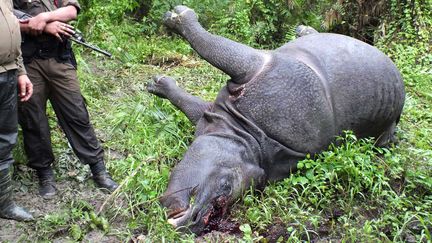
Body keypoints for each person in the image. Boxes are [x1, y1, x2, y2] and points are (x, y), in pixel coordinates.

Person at [13, 0, 118, 199]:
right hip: (27, 63)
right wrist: (34, 26)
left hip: (59, 59)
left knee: (76, 112)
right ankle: (44, 175)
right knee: (32, 119)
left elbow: (71, 11)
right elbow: (6, 21)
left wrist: (44, 18)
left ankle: (99, 170)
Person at [0, 0, 34, 221]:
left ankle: (4, 204)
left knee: (5, 139)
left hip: (8, 73)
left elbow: (11, 28)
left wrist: (21, 71)